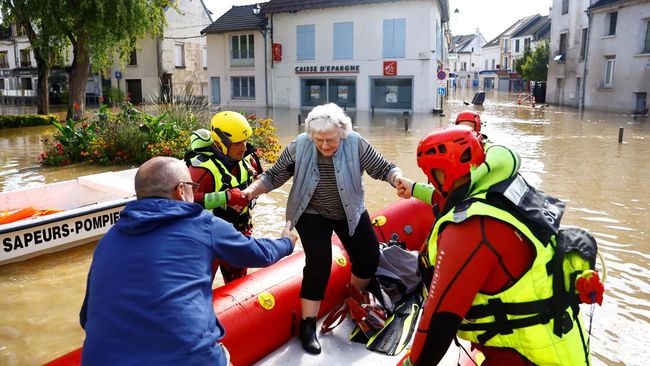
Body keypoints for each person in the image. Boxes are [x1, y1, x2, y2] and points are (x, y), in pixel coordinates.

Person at [400, 126, 593, 365]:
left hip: (527, 358)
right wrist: (415, 189)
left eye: (432, 174)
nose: (430, 180)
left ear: (444, 171)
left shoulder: (470, 228)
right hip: (559, 346)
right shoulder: (504, 189)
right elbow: (449, 195)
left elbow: (439, 318)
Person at [79, 156, 297, 366]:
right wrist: (286, 242)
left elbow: (86, 317)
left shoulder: (108, 240)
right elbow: (260, 254)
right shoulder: (203, 225)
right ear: (181, 190)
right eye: (193, 187)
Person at [242, 103, 407, 355]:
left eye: (330, 140)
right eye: (318, 140)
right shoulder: (299, 145)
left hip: (349, 209)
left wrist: (397, 179)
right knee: (319, 263)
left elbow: (383, 168)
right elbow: (274, 176)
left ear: (342, 132)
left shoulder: (355, 143)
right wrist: (250, 191)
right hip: (311, 211)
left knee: (369, 255)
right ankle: (308, 325)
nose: (324, 145)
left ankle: (355, 298)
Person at [186, 111, 264, 283]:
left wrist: (250, 194)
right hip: (208, 240)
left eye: (245, 141)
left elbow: (263, 181)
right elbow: (186, 201)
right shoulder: (202, 169)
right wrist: (226, 197)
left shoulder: (248, 161)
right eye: (237, 144)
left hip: (239, 233)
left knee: (238, 284)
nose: (243, 147)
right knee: (201, 287)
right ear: (221, 143)